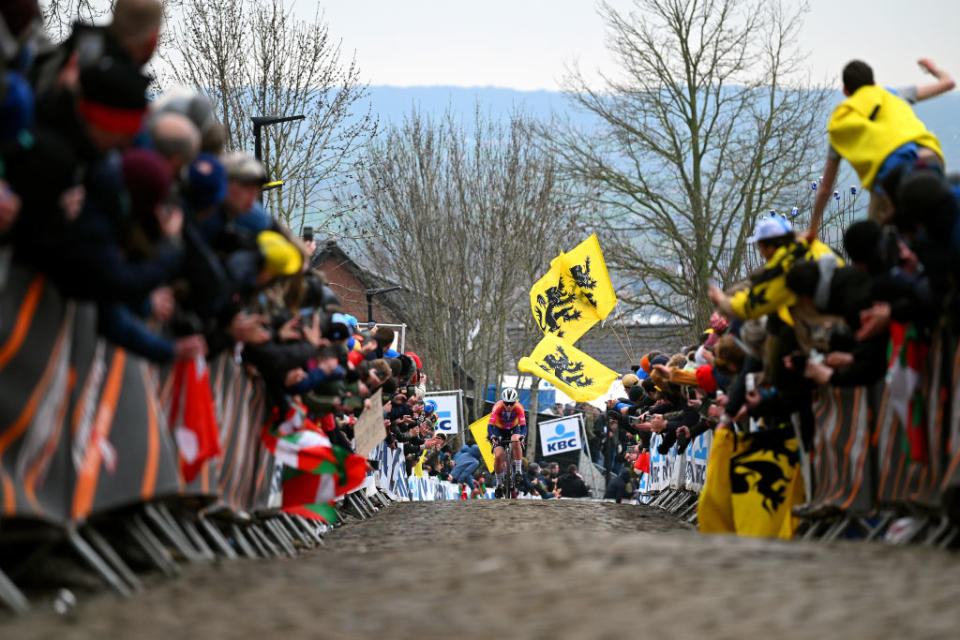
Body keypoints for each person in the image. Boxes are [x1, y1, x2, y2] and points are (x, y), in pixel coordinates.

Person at [809, 59, 949, 232]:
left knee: (875, 240)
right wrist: (933, 70)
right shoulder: (892, 93)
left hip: (892, 173)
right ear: (874, 83)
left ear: (846, 91)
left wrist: (812, 229)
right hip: (930, 158)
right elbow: (948, 83)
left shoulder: (841, 120)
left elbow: (825, 189)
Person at [487, 386, 526, 496]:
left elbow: (523, 426)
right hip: (499, 430)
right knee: (499, 456)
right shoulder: (497, 407)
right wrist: (492, 436)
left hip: (514, 429)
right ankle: (499, 484)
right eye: (506, 403)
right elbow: (490, 425)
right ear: (502, 401)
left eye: (511, 403)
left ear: (515, 402)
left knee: (516, 440)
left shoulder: (519, 408)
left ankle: (518, 471)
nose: (509, 406)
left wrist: (523, 436)